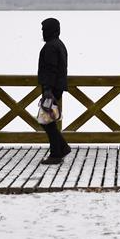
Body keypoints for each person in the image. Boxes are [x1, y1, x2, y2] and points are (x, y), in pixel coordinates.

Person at [38, 17, 71, 164]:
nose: (42, 33)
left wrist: (47, 89)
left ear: (51, 31)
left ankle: (57, 153)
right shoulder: (59, 44)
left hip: (51, 89)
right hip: (56, 87)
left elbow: (51, 70)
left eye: (44, 30)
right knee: (47, 120)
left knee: (46, 121)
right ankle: (62, 148)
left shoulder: (51, 47)